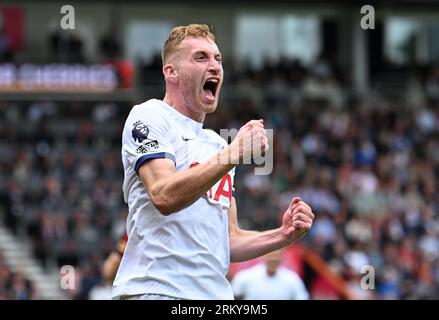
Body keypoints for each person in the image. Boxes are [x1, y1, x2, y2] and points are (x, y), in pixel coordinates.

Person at [112, 24, 315, 300]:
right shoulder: (149, 115)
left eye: (217, 59)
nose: (215, 66)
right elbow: (163, 195)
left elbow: (228, 240)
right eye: (201, 57)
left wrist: (283, 235)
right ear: (171, 72)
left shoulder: (217, 145)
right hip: (156, 289)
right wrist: (234, 153)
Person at [231, 249, 309, 300]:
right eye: (271, 257)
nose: (273, 259)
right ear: (264, 257)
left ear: (283, 258)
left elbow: (302, 297)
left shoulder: (293, 279)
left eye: (276, 258)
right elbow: (234, 295)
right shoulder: (245, 276)